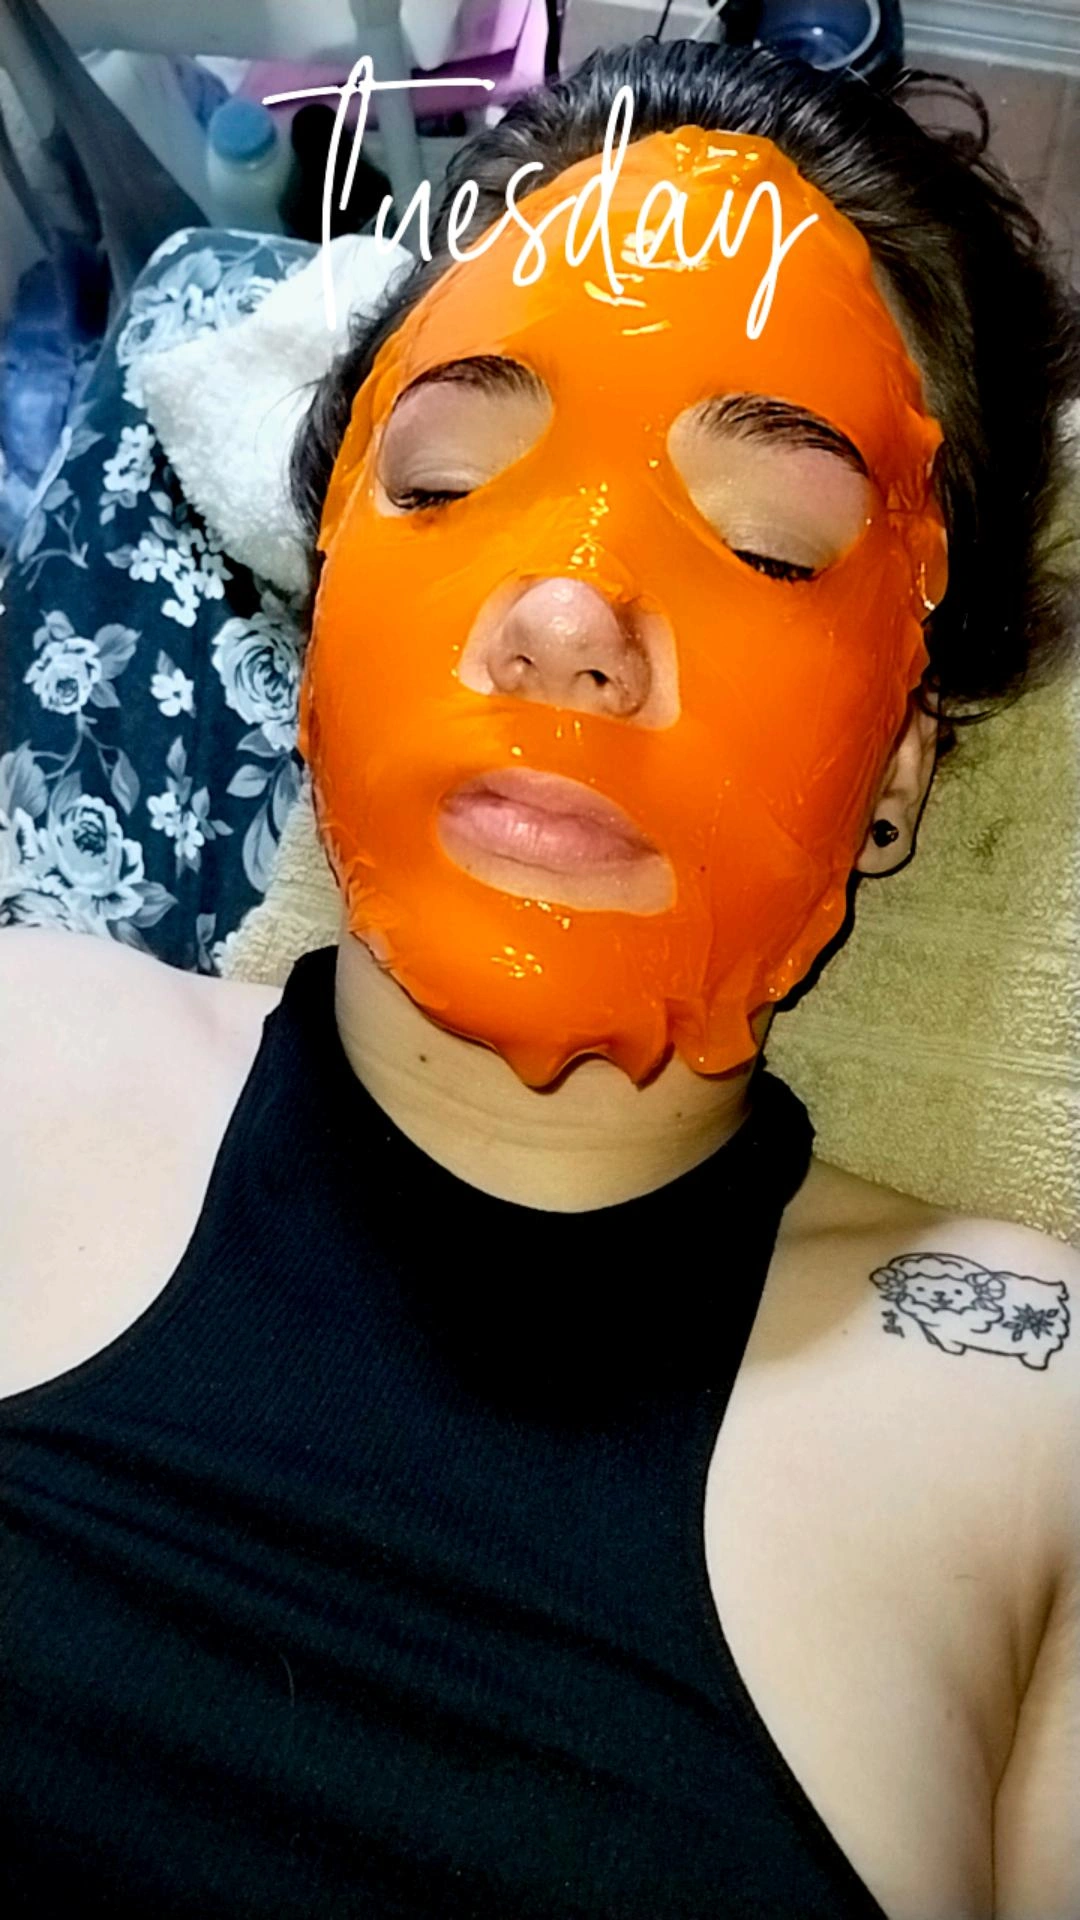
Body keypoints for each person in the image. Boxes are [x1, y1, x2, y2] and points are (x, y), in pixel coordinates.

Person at [2, 36, 1078, 1920]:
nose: (570, 618)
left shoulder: (1034, 1401)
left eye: (764, 544)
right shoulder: (25, 1045)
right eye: (447, 486)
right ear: (327, 610)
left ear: (902, 762)